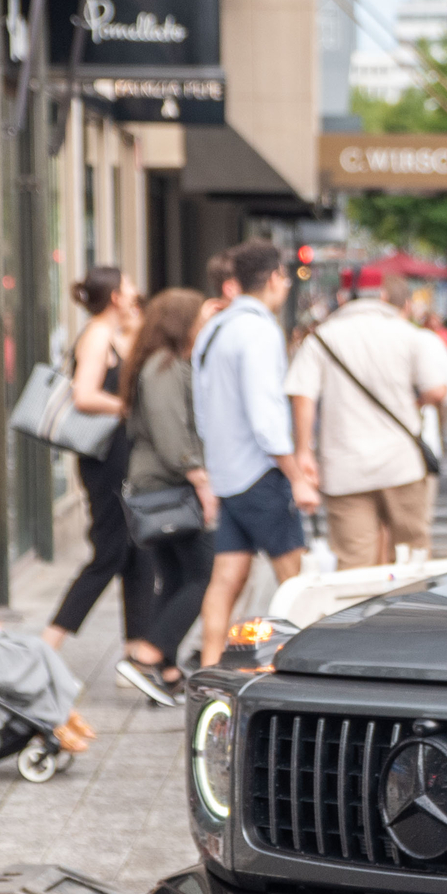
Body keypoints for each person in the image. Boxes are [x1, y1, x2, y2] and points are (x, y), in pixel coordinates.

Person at [41, 267, 167, 704]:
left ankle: (137, 654)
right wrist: (129, 407)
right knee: (112, 552)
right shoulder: (96, 336)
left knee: (139, 552)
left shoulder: (116, 332)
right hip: (107, 459)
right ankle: (46, 645)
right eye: (129, 287)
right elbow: (83, 395)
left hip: (121, 455)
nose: (136, 293)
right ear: (115, 295)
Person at [192, 239, 317, 666]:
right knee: (295, 583)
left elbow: (202, 410)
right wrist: (297, 476)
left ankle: (209, 668)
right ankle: (302, 670)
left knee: (226, 578)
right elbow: (267, 420)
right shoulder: (260, 330)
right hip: (260, 475)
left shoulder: (214, 329)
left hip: (227, 472)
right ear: (277, 279)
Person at [288, 279, 447, 570]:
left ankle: (358, 616)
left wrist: (304, 451)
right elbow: (438, 390)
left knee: (353, 563)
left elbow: (303, 395)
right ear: (381, 295)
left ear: (342, 296)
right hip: (401, 463)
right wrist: (412, 405)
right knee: (411, 559)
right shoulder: (408, 334)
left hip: (344, 467)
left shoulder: (322, 338)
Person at [118, 288, 215, 695]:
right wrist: (200, 480)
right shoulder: (162, 366)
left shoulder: (161, 363)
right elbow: (171, 434)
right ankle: (148, 653)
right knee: (203, 576)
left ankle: (167, 671)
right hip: (168, 485)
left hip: (163, 483)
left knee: (176, 577)